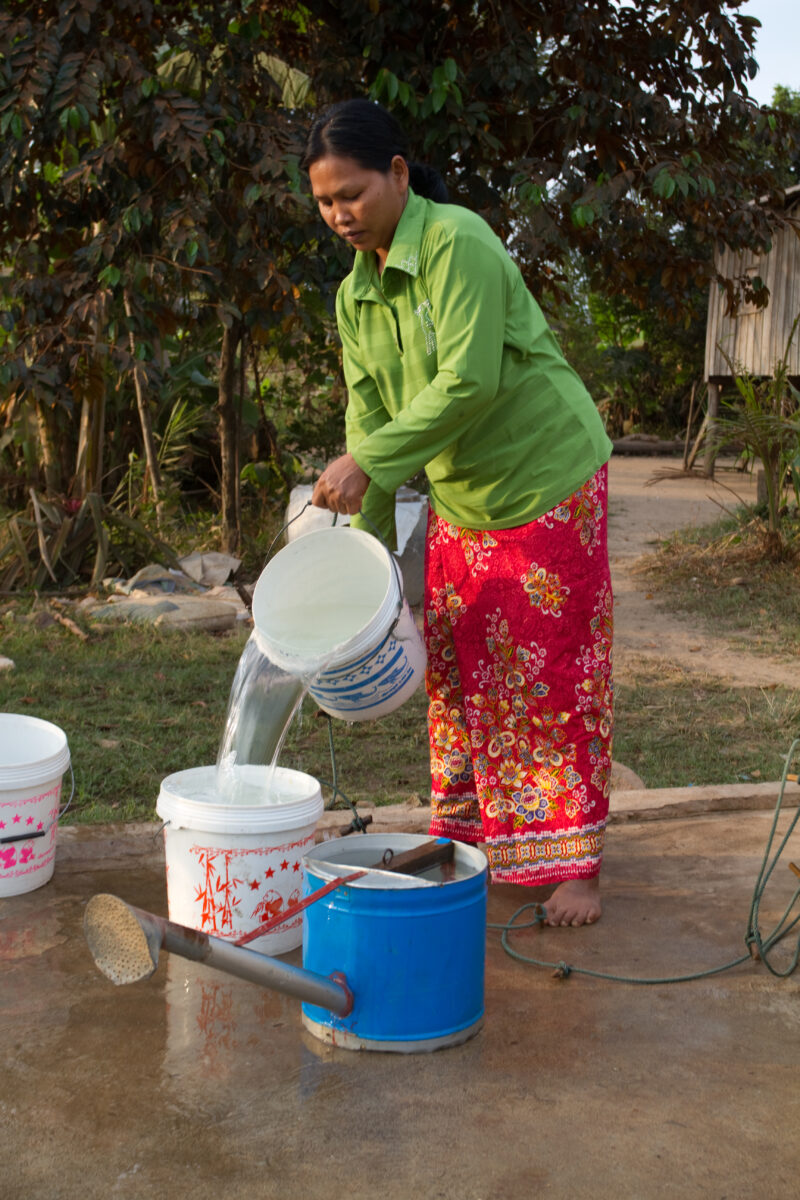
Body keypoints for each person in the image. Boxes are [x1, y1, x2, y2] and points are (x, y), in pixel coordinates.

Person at [303, 99, 613, 926]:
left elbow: (469, 380)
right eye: (326, 200)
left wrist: (369, 461)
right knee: (461, 666)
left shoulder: (456, 242)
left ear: (398, 175)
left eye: (354, 193)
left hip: (545, 477)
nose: (340, 214)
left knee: (551, 672)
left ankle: (576, 863)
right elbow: (366, 425)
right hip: (463, 502)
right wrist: (363, 568)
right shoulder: (353, 297)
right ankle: (476, 835)